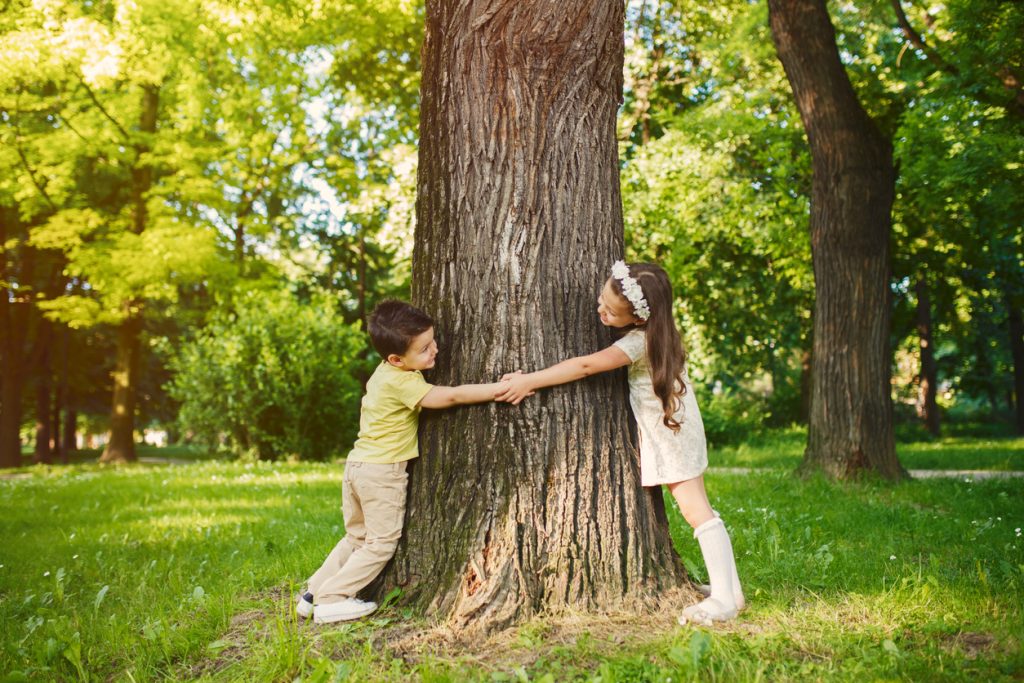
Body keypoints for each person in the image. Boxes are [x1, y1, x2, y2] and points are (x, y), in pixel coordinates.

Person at [497, 261, 744, 625]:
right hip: (678, 428)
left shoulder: (639, 342)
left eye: (610, 311)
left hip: (672, 435)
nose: (600, 311)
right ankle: (731, 590)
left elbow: (584, 366)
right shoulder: (659, 334)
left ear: (639, 318)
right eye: (602, 300)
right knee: (699, 509)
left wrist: (529, 381)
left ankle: (725, 599)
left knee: (696, 512)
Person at [298, 300, 509, 624]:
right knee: (381, 544)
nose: (435, 350)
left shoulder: (383, 374)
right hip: (382, 472)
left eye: (432, 341)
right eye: (425, 349)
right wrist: (499, 389)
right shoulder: (404, 381)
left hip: (358, 467)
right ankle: (332, 599)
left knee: (356, 539)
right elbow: (450, 397)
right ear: (397, 359)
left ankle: (313, 593)